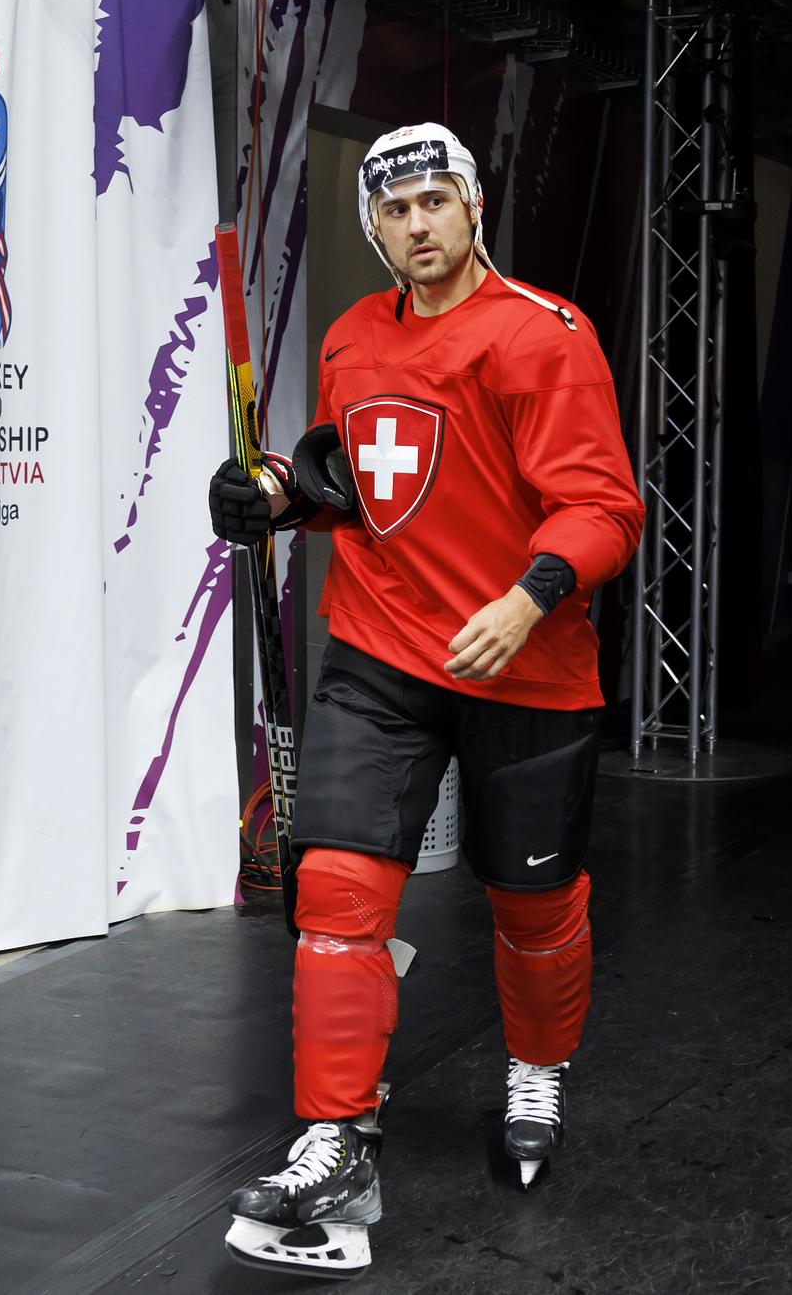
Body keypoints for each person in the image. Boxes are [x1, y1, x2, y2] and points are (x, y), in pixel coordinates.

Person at [207, 123, 644, 1279]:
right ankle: (334, 1140)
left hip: (525, 666)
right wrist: (270, 495)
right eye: (394, 210)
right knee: (337, 893)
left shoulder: (543, 337)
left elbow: (603, 505)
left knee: (533, 913)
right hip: (381, 653)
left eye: (434, 201)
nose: (416, 224)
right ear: (376, 226)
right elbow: (350, 478)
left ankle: (535, 1073)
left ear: (471, 207)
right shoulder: (353, 340)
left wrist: (527, 595)